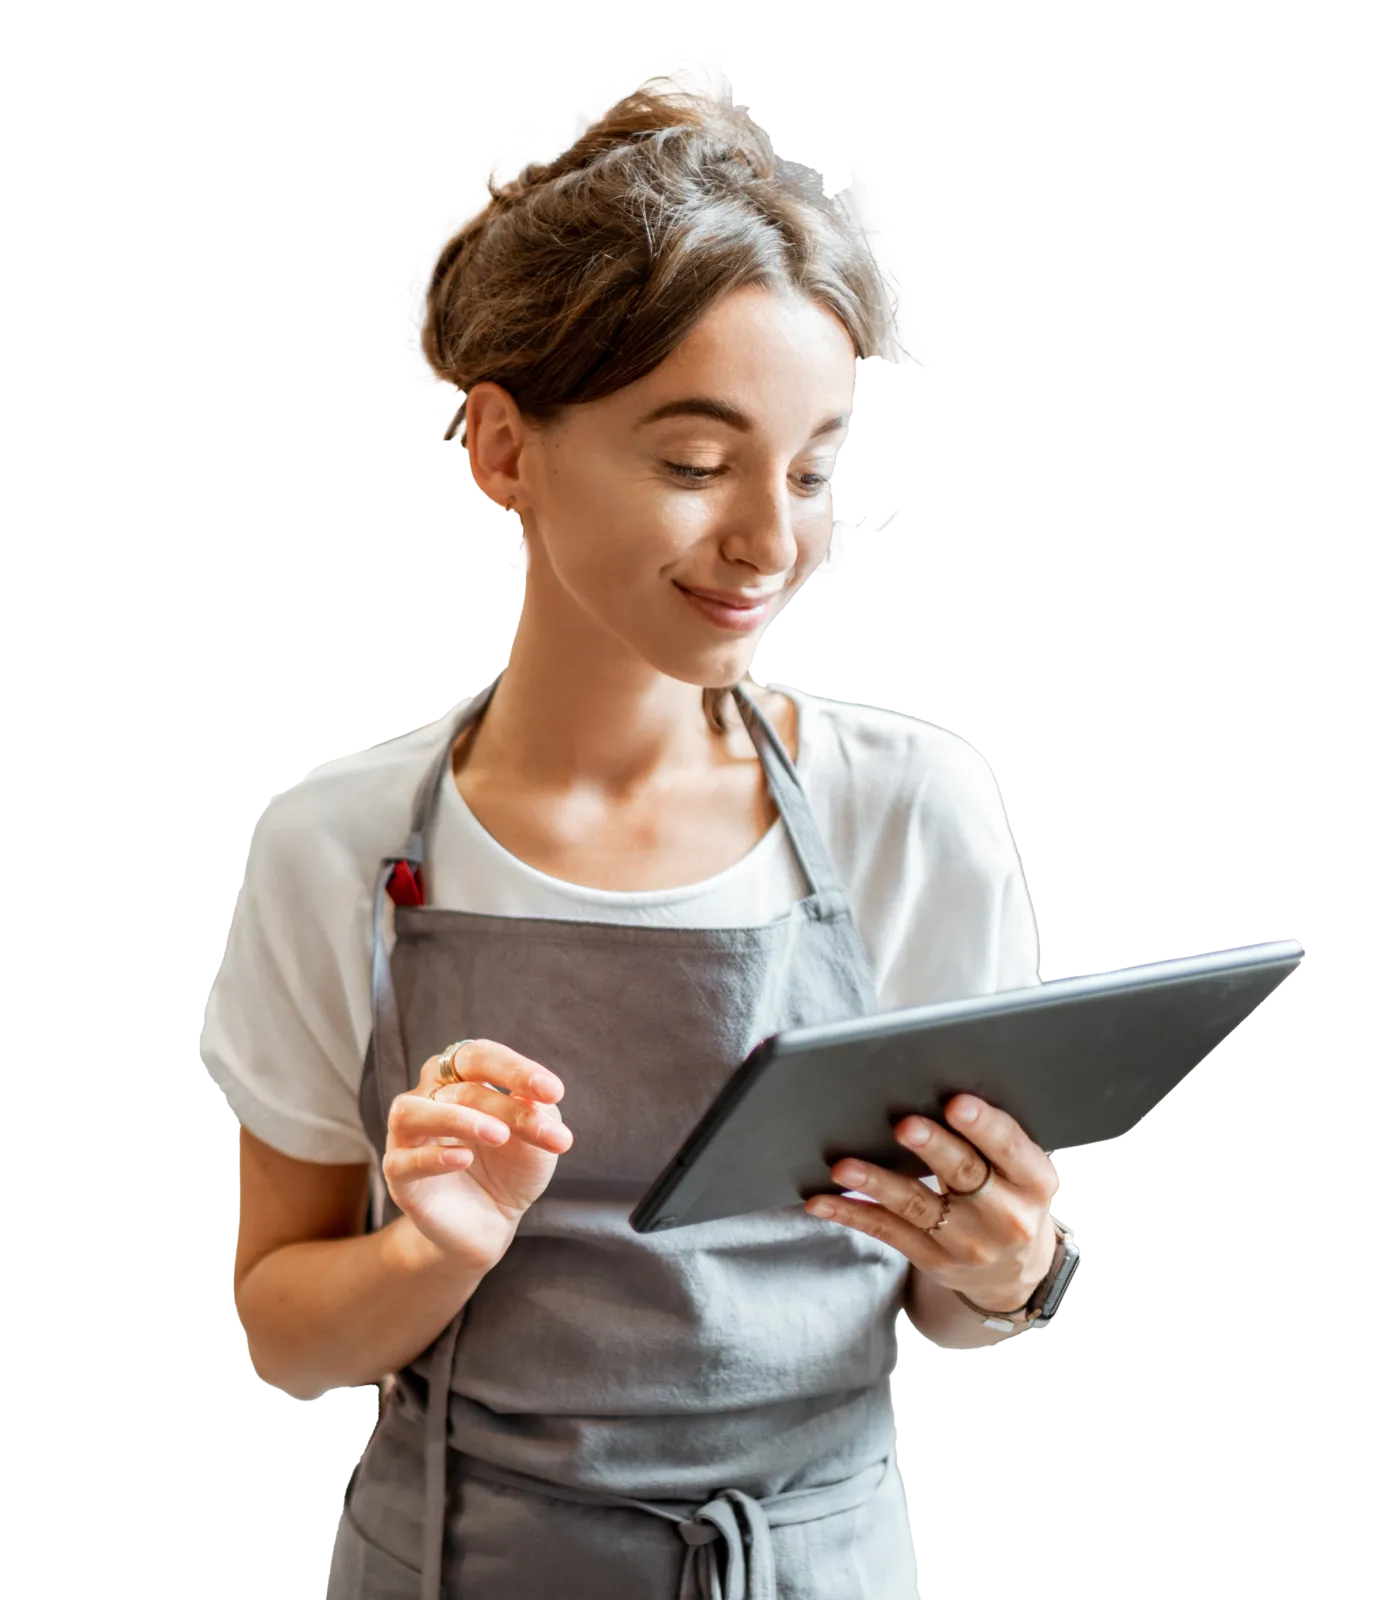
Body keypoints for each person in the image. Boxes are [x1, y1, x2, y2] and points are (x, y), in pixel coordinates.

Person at [209, 78, 1044, 1600]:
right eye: (692, 461)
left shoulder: (914, 808)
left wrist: (1012, 1269)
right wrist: (432, 1250)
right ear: (505, 451)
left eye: (811, 470)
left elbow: (966, 1300)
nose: (771, 541)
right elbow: (281, 1334)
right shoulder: (332, 845)